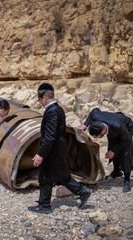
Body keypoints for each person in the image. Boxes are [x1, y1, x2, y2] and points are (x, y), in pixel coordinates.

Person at [28, 83, 91, 214]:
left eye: (39, 99)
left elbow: (50, 136)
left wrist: (41, 154)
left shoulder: (51, 112)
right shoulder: (59, 109)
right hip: (58, 149)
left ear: (44, 97)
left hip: (53, 151)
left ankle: (44, 206)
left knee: (45, 176)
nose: (39, 102)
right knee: (61, 176)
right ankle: (83, 192)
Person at [78, 108, 133, 192]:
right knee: (111, 148)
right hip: (114, 122)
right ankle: (116, 171)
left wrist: (114, 151)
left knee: (125, 153)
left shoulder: (117, 126)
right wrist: (85, 124)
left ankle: (127, 180)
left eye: (100, 136)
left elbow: (126, 140)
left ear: (103, 130)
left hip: (126, 128)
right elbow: (94, 110)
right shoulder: (96, 116)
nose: (99, 138)